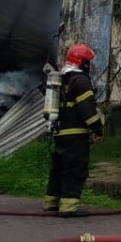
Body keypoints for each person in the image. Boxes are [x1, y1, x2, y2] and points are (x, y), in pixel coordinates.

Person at [44, 43, 105, 217]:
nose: (90, 65)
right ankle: (69, 207)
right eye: (89, 62)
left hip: (60, 132)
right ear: (83, 63)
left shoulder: (62, 79)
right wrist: (98, 129)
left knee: (58, 168)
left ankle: (51, 202)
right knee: (74, 168)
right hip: (76, 134)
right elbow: (87, 110)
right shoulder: (81, 81)